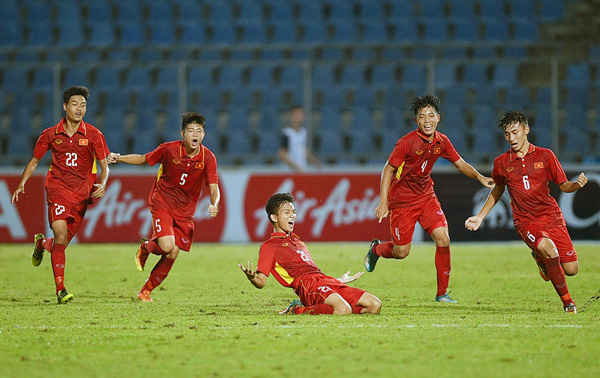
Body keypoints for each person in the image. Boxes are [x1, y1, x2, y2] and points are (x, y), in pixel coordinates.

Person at [364, 94, 495, 303]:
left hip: (426, 198)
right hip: (402, 202)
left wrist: (479, 176)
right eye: (422, 116)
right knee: (401, 252)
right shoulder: (406, 143)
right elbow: (388, 170)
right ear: (416, 121)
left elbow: (460, 164)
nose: (427, 120)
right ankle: (376, 249)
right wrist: (383, 201)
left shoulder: (442, 141)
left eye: (431, 115)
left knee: (443, 238)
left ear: (438, 118)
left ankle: (442, 294)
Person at [465, 110, 587, 313]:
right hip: (526, 221)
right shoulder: (501, 163)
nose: (511, 138)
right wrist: (479, 217)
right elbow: (497, 190)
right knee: (549, 249)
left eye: (515, 132)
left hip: (552, 217)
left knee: (571, 270)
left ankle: (540, 260)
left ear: (526, 130)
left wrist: (577, 185)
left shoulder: (545, 155)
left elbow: (564, 186)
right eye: (506, 134)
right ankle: (568, 303)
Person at [11, 86, 110, 304]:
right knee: (61, 235)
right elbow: (35, 161)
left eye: (83, 105)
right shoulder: (49, 134)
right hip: (57, 190)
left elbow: (105, 167)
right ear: (65, 106)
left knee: (60, 243)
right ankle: (61, 290)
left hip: (82, 195)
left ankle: (40, 245)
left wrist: (102, 183)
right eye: (75, 104)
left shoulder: (95, 135)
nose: (79, 109)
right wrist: (21, 184)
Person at [107, 112, 220, 302]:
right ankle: (147, 247)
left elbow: (214, 188)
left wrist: (214, 204)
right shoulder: (169, 149)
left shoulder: (208, 158)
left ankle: (145, 291)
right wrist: (119, 158)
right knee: (168, 245)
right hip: (163, 201)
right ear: (183, 133)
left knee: (173, 252)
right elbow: (144, 159)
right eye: (191, 130)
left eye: (199, 131)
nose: (195, 134)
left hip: (185, 211)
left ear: (204, 135)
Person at [239, 192, 381, 315]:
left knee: (374, 305)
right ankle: (297, 310)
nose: (292, 216)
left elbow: (313, 271)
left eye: (293, 212)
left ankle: (329, 307)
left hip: (325, 280)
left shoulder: (298, 242)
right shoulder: (269, 247)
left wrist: (338, 280)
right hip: (307, 286)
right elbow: (261, 282)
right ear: (274, 218)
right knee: (343, 309)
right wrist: (252, 278)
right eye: (287, 212)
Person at [277, 105, 322, 172]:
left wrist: (315, 161)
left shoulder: (303, 132)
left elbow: (303, 151)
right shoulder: (287, 133)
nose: (299, 117)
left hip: (302, 170)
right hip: (290, 171)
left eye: (301, 114)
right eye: (296, 115)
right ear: (291, 116)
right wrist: (295, 167)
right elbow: (281, 154)